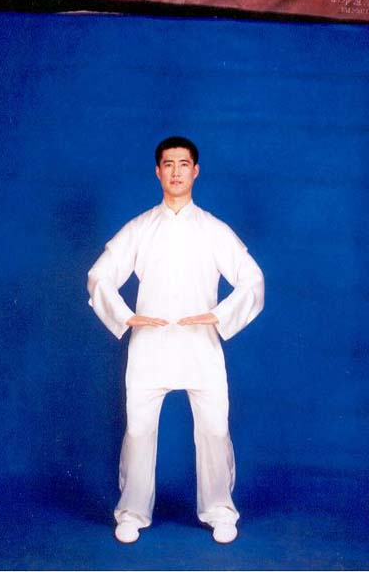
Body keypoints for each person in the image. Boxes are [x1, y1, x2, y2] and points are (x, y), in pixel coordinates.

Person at [87, 136, 264, 544]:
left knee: (214, 429)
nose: (176, 172)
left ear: (195, 171)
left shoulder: (214, 230)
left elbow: (252, 280)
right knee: (139, 430)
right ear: (158, 171)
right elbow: (100, 276)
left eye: (184, 164)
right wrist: (127, 316)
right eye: (168, 164)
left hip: (201, 346)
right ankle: (132, 512)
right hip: (150, 346)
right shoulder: (140, 228)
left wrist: (219, 315)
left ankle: (220, 510)